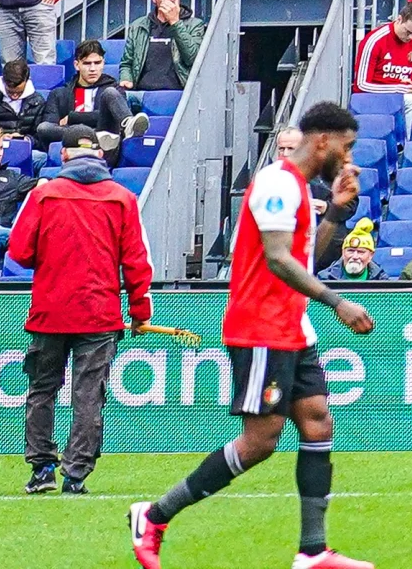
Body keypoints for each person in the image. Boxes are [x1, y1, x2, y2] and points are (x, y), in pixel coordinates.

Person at [130, 102, 373, 569]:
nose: (348, 157)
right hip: (260, 326)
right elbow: (279, 260)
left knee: (318, 420)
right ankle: (155, 516)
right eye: (347, 146)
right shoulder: (277, 183)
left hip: (292, 327)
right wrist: (338, 302)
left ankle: (313, 551)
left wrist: (338, 215)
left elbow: (304, 261)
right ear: (323, 140)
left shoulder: (300, 189)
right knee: (261, 440)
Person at [9, 128, 146, 496]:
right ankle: (76, 474)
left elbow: (19, 252)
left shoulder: (44, 194)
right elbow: (136, 262)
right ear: (101, 157)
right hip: (100, 314)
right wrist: (140, 310)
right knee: (89, 395)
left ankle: (41, 469)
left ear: (64, 156)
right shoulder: (122, 198)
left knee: (42, 389)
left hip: (51, 312)